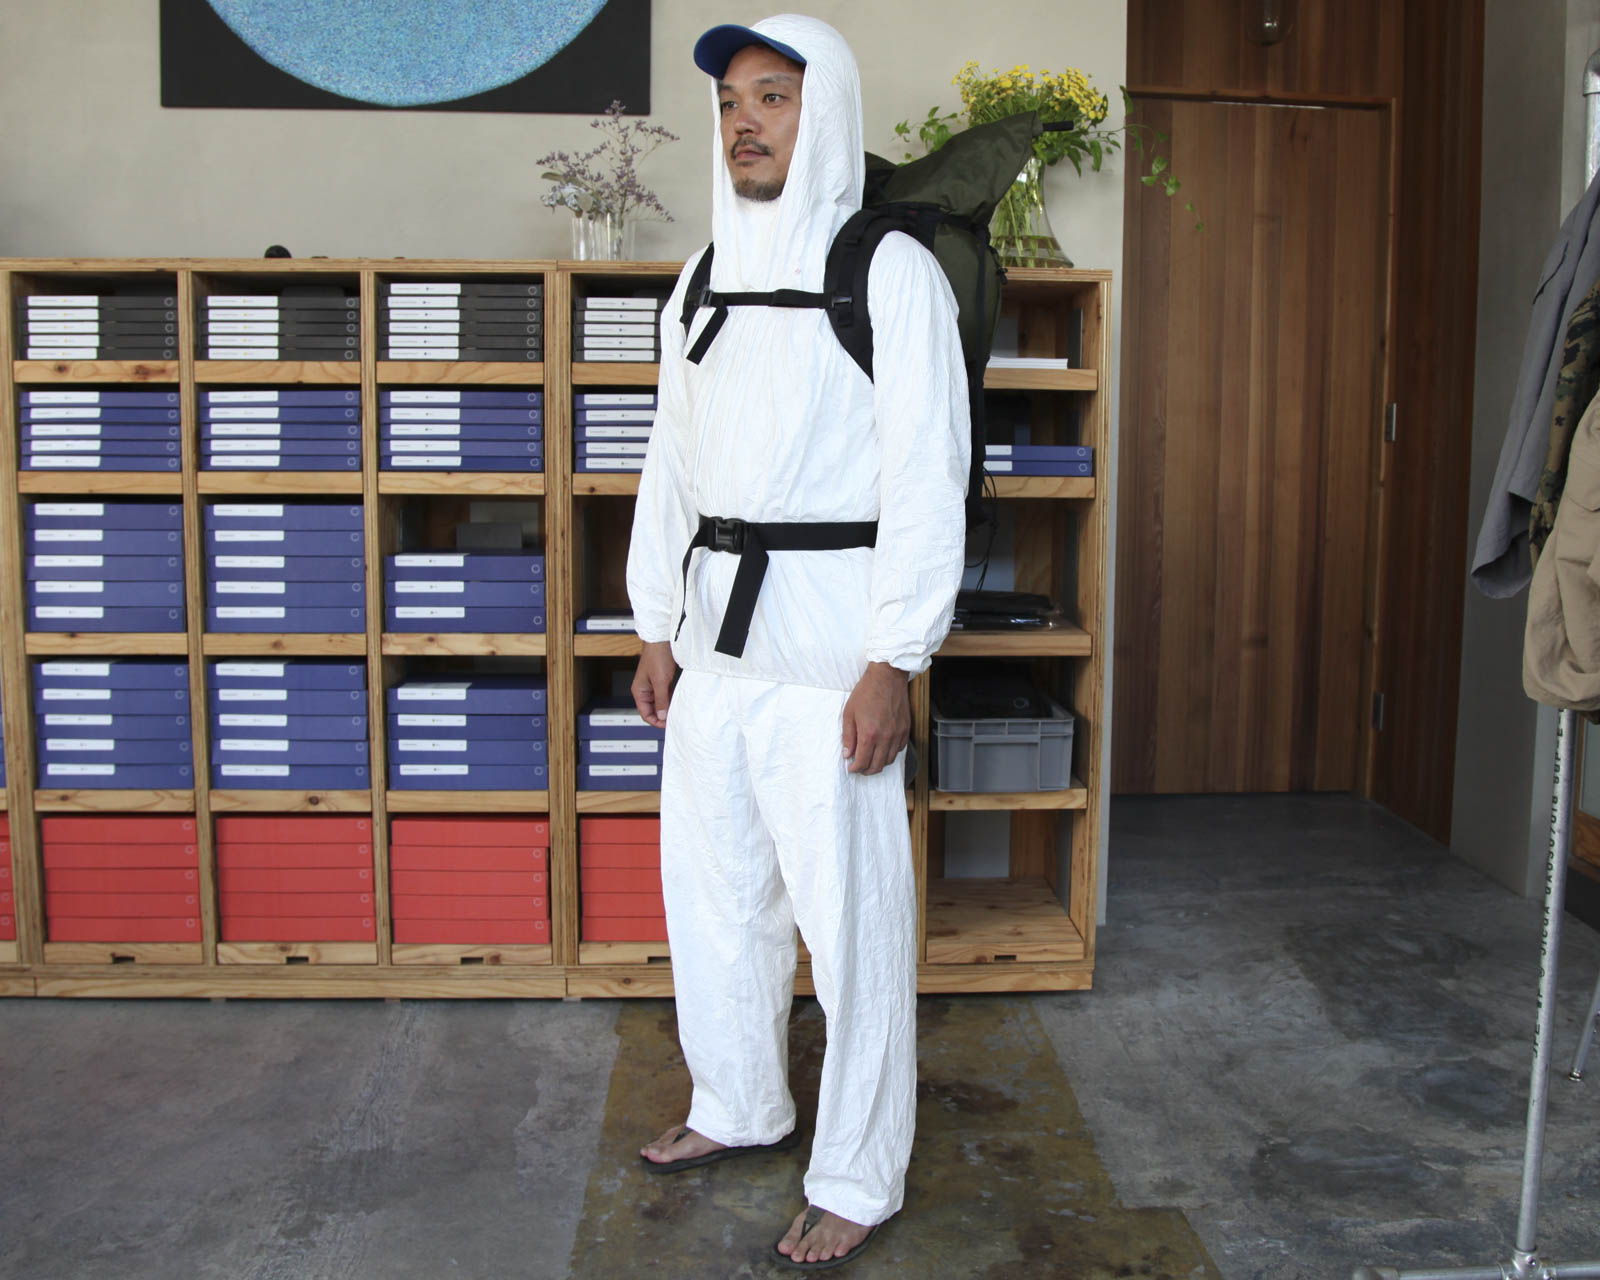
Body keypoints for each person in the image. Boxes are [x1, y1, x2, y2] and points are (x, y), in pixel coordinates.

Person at [625, 13, 969, 1269]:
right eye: (730, 103)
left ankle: (859, 1173)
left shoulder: (889, 271)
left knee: (854, 927)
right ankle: (737, 1100)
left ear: (823, 111)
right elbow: (669, 460)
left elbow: (928, 471)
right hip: (715, 645)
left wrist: (895, 658)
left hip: (831, 646)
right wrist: (655, 620)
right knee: (715, 896)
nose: (744, 123)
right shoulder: (701, 277)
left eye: (771, 97)